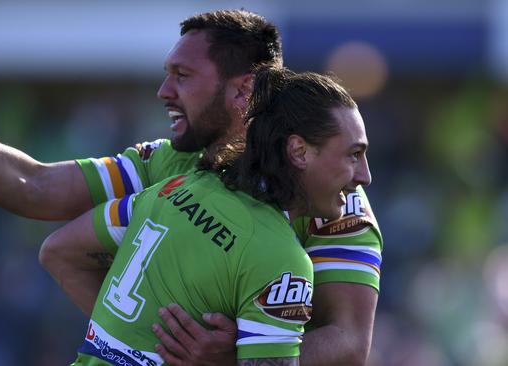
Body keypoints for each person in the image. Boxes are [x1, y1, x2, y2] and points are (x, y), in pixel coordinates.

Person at [0, 9, 381, 365]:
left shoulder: (338, 200)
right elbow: (37, 187)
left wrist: (232, 357)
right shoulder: (175, 162)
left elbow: (351, 344)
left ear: (243, 89)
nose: (164, 90)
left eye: (183, 75)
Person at [45, 66, 372, 365]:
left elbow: (59, 250)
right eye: (353, 155)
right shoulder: (283, 259)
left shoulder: (176, 186)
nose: (365, 176)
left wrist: (132, 334)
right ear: (299, 151)